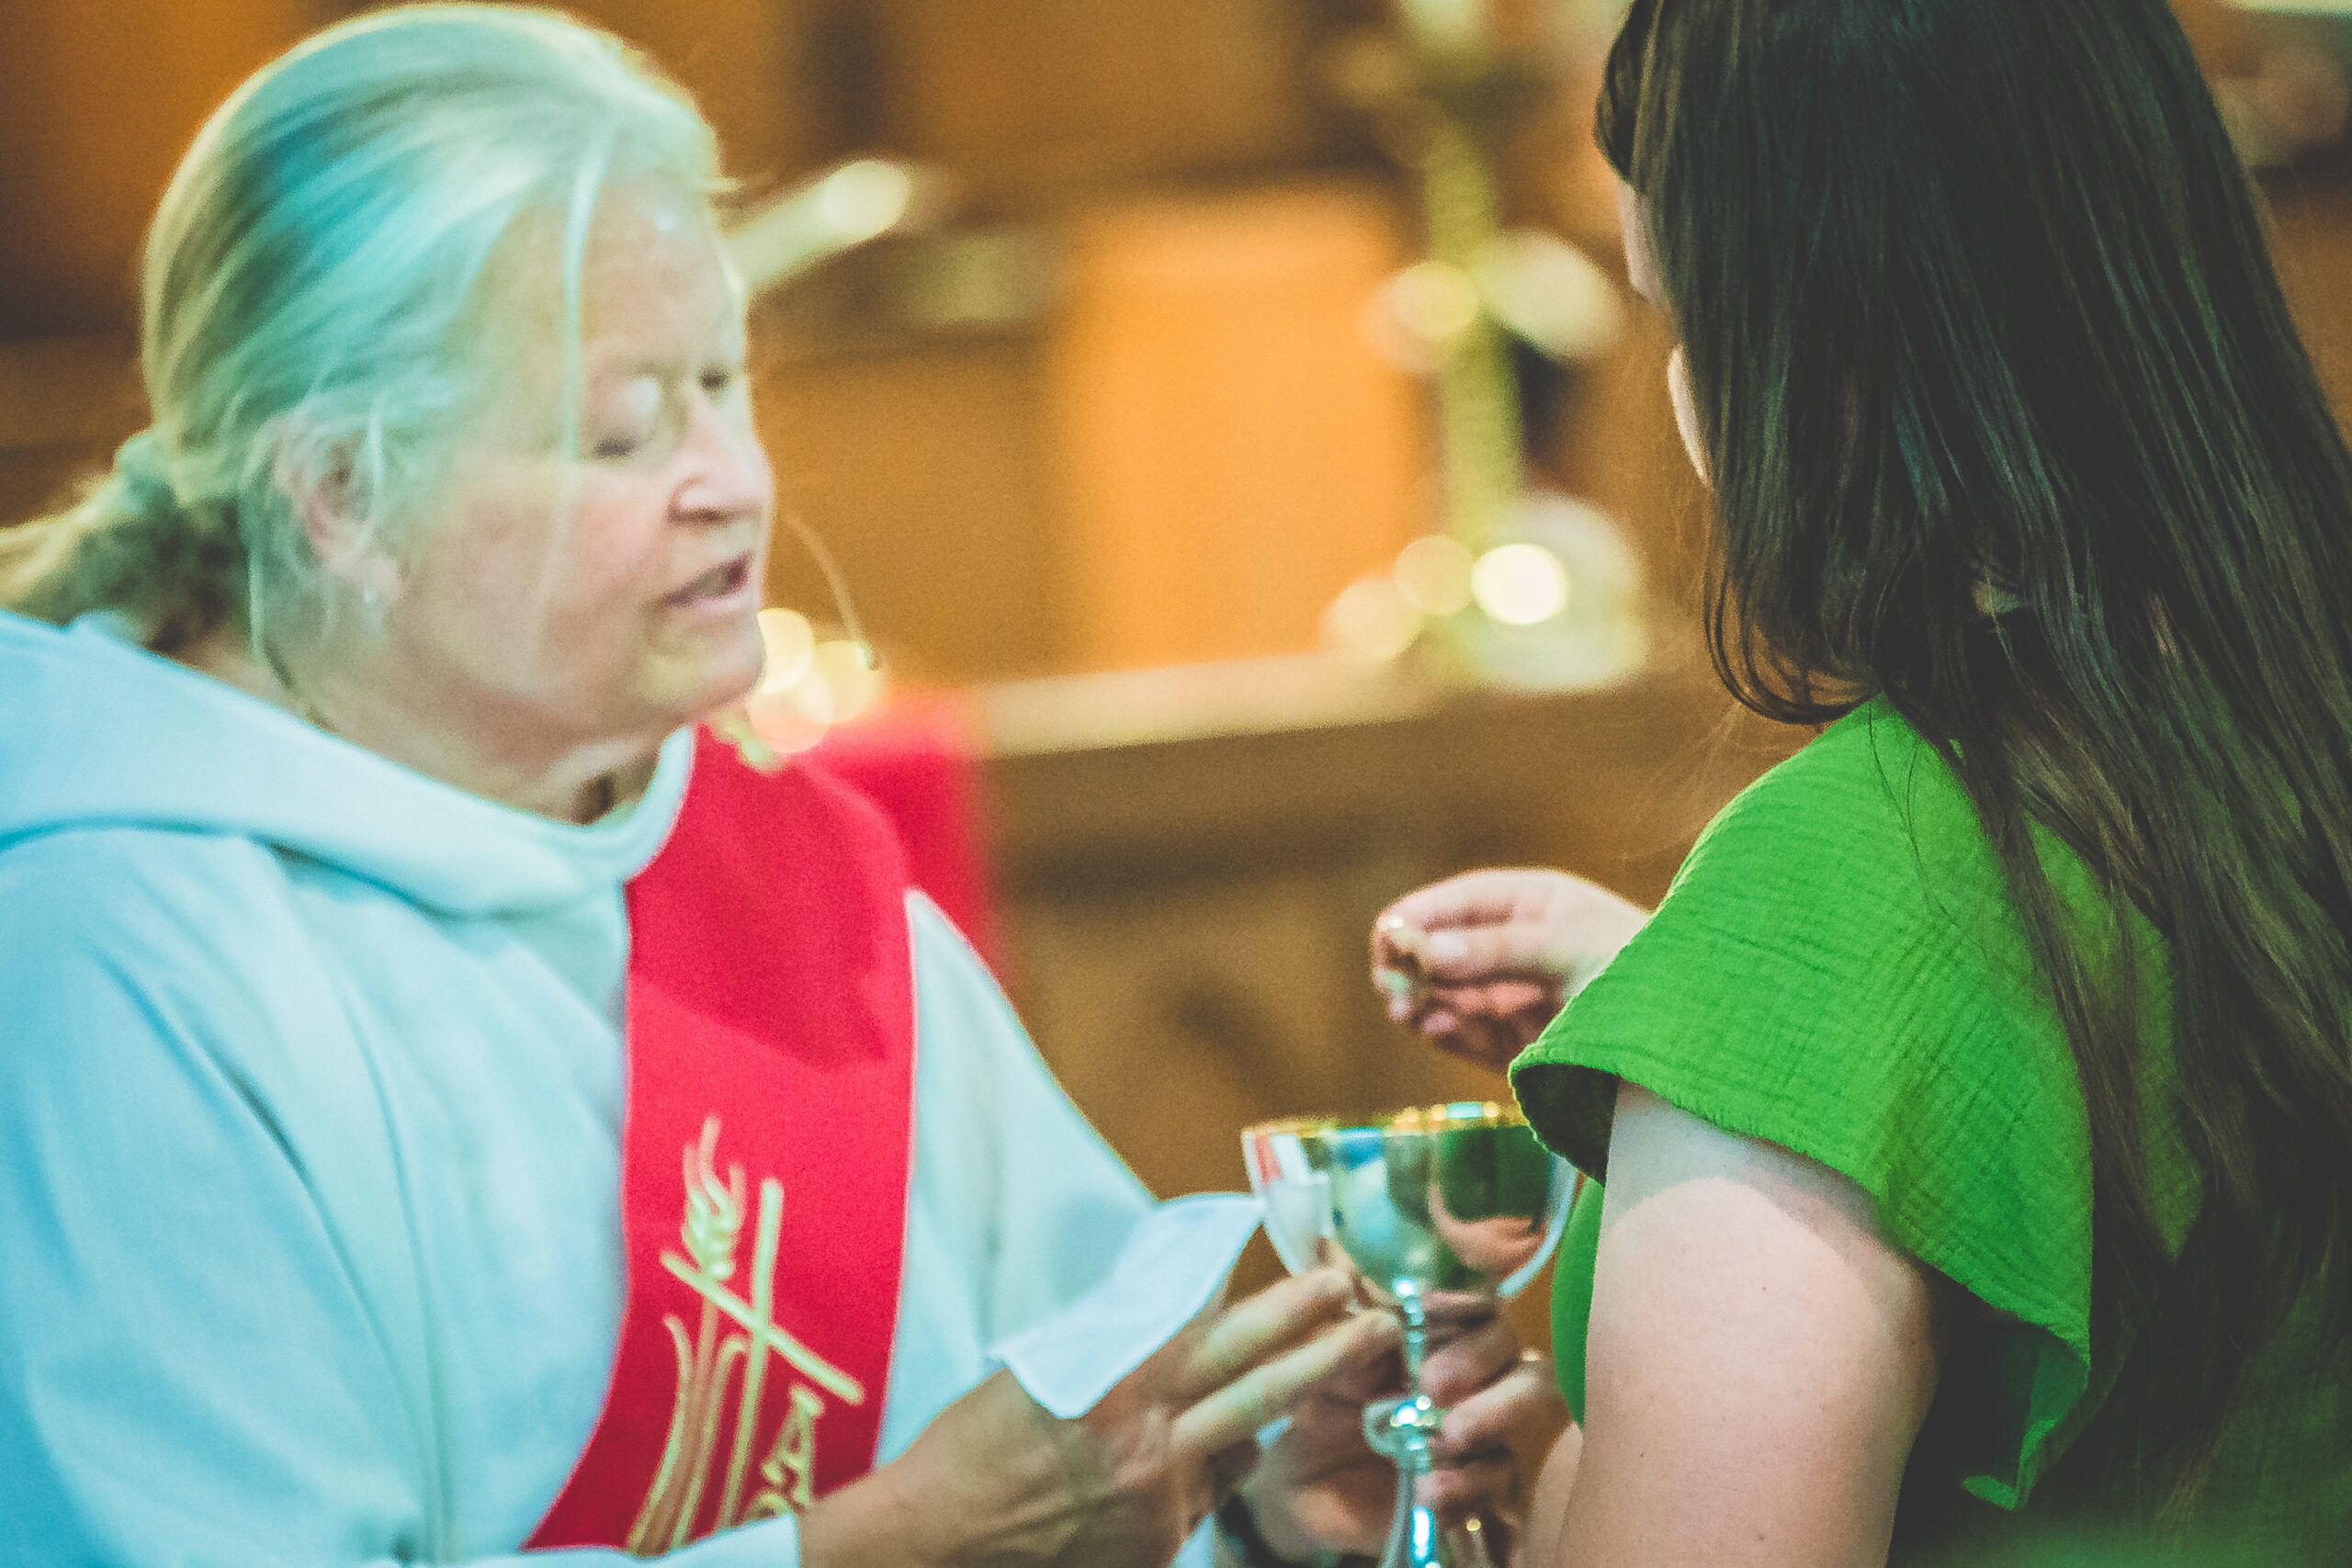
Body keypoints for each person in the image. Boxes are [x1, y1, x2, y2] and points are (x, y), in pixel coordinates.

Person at [0, 9, 1555, 1565]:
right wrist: (888, 1552)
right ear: (338, 496)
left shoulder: (781, 889)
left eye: (722, 383)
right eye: (620, 432)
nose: (733, 482)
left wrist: (1253, 1508)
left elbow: (1085, 1455)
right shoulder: (109, 946)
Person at [1373, 0, 2352, 1562]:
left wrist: (1560, 1465)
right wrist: (1702, 1008)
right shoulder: (2290, 731)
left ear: (1801, 360)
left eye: (1677, 310)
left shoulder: (1855, 879)